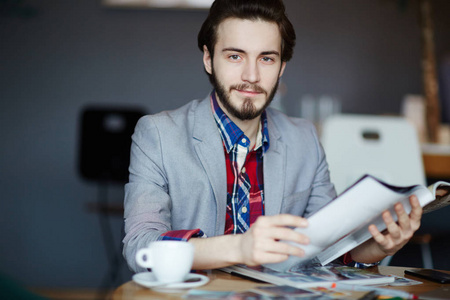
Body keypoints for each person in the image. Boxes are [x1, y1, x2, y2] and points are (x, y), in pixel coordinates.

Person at [122, 0, 422, 273]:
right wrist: (239, 247)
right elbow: (140, 248)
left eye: (266, 59)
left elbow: (326, 246)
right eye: (235, 56)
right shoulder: (158, 135)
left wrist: (374, 248)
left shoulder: (304, 139)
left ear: (281, 68)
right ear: (208, 59)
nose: (251, 76)